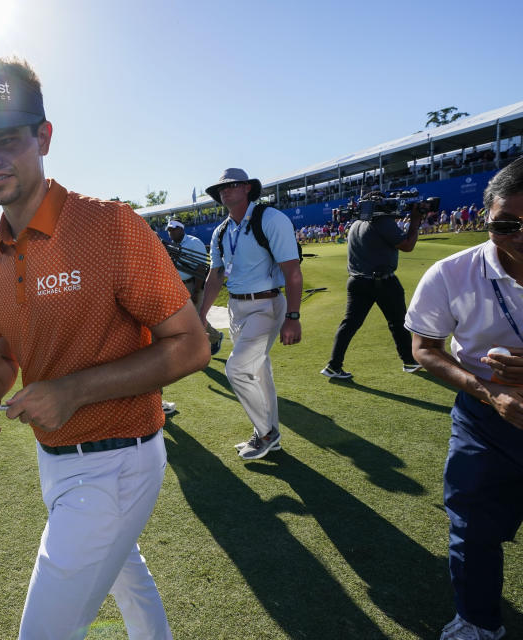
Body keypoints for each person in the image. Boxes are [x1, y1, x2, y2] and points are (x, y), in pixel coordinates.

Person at [0, 57, 210, 639]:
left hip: (117, 462)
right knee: (127, 576)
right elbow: (0, 355)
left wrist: (73, 391)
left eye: (6, 140)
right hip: (55, 461)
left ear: (43, 137)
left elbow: (192, 347)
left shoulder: (111, 226)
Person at [405, 157, 523, 640]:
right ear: (486, 218)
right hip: (483, 416)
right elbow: (423, 348)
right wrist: (490, 392)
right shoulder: (452, 273)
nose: (520, 235)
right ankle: (477, 622)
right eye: (506, 224)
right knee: (471, 525)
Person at [198, 168, 303, 460]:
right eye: (221, 188)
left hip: (267, 305)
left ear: (247, 188)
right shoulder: (221, 231)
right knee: (258, 370)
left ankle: (266, 434)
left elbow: (292, 271)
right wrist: (200, 317)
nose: (224, 191)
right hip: (237, 307)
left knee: (237, 369)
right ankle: (270, 433)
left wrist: (293, 317)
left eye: (232, 186)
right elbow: (215, 275)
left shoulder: (270, 219)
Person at [319, 194, 425, 379]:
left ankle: (333, 366)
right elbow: (407, 246)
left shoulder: (357, 223)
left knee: (349, 325)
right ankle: (408, 361)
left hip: (357, 281)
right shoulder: (382, 222)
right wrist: (415, 221)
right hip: (383, 282)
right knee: (398, 323)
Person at [165, 219, 224, 355]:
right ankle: (208, 340)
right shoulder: (172, 245)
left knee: (196, 318)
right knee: (186, 319)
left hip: (193, 285)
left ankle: (214, 338)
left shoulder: (193, 242)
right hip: (179, 287)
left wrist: (197, 291)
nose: (171, 233)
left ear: (181, 229)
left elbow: (200, 268)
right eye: (169, 230)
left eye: (173, 229)